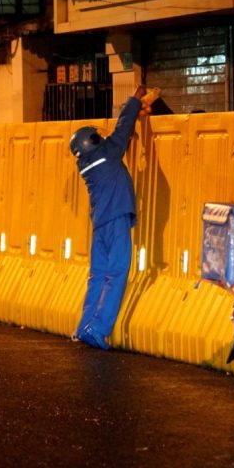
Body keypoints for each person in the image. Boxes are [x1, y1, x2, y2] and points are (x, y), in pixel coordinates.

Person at [68, 85, 152, 350]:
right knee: (116, 274)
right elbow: (123, 127)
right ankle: (98, 329)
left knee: (98, 276)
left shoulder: (86, 163)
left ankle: (84, 327)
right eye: (96, 136)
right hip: (115, 220)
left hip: (101, 223)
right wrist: (135, 100)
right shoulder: (106, 154)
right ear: (92, 142)